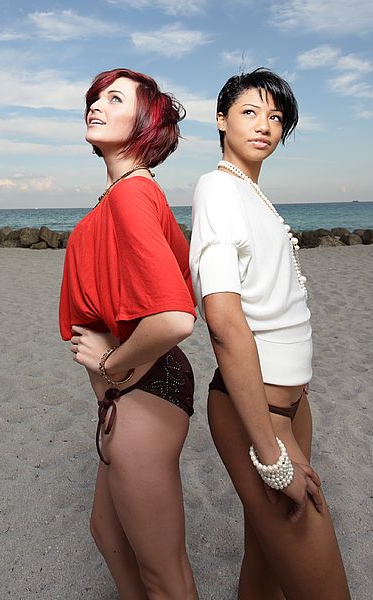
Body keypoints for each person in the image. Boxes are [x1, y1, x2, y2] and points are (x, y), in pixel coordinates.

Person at [189, 68, 351, 599]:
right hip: (257, 414)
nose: (265, 125)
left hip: (292, 406)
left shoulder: (253, 194)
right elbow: (223, 320)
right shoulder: (217, 187)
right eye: (250, 112)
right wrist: (273, 458)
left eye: (276, 117)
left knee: (264, 565)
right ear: (221, 119)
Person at [59, 68, 199, 599]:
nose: (95, 104)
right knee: (107, 531)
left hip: (143, 389)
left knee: (165, 573)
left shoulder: (130, 195)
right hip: (134, 390)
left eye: (114, 98)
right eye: (95, 97)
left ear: (145, 121)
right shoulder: (124, 193)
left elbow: (174, 318)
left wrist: (109, 365)